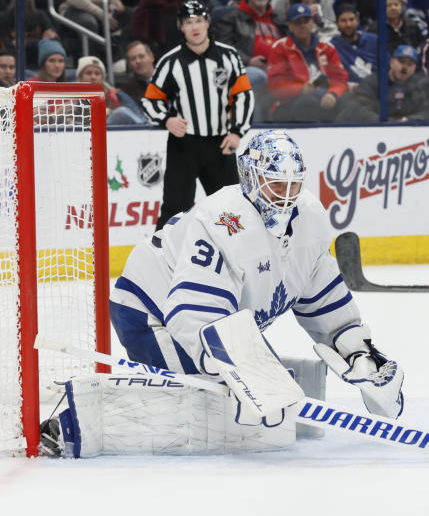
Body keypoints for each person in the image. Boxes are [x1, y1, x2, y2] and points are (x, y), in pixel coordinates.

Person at [102, 130, 404, 451]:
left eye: (294, 184)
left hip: (208, 319)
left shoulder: (310, 220)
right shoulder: (222, 222)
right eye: (276, 184)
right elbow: (192, 312)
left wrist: (358, 353)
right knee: (212, 421)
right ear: (250, 177)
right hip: (150, 310)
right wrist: (243, 374)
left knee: (279, 408)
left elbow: (323, 299)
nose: (287, 196)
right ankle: (99, 424)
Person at [142, 1, 255, 230]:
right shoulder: (170, 61)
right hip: (184, 145)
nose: (195, 27)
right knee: (175, 207)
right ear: (181, 28)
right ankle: (160, 259)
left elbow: (243, 95)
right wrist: (167, 119)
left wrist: (236, 132)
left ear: (207, 23)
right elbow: (150, 100)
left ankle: (237, 259)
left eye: (199, 21)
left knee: (231, 208)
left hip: (220, 143)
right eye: (188, 22)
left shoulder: (228, 56)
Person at [266, 3, 348, 122]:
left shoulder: (327, 48)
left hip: (324, 97)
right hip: (289, 103)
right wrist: (300, 89)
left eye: (306, 21)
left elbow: (340, 79)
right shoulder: (280, 48)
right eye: (297, 22)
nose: (302, 26)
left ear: (312, 23)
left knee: (349, 101)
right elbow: (274, 85)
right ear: (290, 26)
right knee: (307, 103)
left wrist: (333, 94)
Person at [215, 0, 283, 94]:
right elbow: (223, 48)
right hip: (245, 70)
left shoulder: (279, 21)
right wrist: (248, 61)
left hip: (279, 72)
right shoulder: (231, 18)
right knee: (257, 76)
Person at [337, 44, 427, 121]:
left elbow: (426, 111)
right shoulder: (373, 81)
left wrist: (410, 120)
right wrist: (389, 123)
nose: (404, 67)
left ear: (414, 68)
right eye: (401, 61)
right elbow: (359, 110)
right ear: (392, 62)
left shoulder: (417, 86)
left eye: (409, 64)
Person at [0, 0, 59, 68]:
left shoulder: (41, 16)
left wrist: (24, 43)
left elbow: (55, 43)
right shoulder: (1, 18)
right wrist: (41, 42)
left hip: (40, 67)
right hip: (13, 69)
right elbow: (8, 48)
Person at [77, 55, 149, 125]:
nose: (93, 77)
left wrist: (111, 112)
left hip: (115, 133)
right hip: (82, 134)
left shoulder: (117, 95)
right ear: (80, 77)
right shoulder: (71, 98)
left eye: (97, 73)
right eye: (88, 73)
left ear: (103, 78)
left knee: (121, 111)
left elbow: (138, 116)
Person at [330, 4, 377, 85]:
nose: (348, 24)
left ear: (357, 20)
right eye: (343, 21)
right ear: (336, 23)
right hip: (350, 94)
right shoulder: (332, 46)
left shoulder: (374, 40)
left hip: (378, 90)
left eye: (351, 19)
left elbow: (387, 68)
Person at [117, 39, 156, 104]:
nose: (138, 61)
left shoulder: (169, 79)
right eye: (133, 58)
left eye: (141, 56)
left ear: (151, 57)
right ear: (129, 64)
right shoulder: (126, 92)